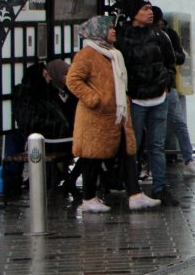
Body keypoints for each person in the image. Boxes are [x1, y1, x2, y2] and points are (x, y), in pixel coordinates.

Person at [64, 16, 161, 213]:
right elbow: (73, 80)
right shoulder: (87, 54)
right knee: (92, 156)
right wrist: (94, 99)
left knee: (127, 152)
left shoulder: (112, 53)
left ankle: (135, 194)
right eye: (109, 28)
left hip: (116, 116)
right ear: (98, 32)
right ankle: (88, 198)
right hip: (96, 116)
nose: (113, 30)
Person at [116, 0, 179, 206]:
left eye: (150, 8)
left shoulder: (160, 36)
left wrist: (166, 80)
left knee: (157, 145)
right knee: (132, 146)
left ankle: (160, 187)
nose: (150, 12)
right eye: (145, 9)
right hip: (135, 98)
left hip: (158, 96)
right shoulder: (122, 37)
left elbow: (171, 61)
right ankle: (132, 188)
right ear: (135, 13)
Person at [152, 6, 195, 176]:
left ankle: (188, 158)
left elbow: (179, 57)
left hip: (167, 86)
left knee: (178, 122)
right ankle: (147, 164)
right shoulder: (143, 35)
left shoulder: (169, 34)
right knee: (156, 126)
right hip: (151, 88)